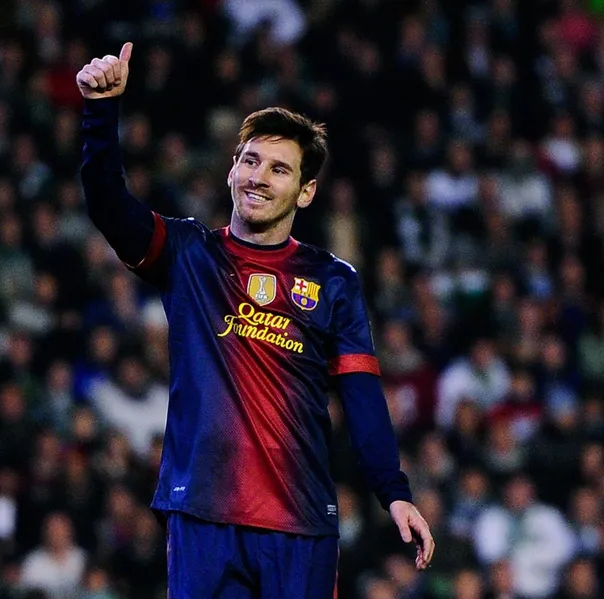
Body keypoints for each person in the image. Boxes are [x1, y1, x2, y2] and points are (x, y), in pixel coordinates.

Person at [77, 43, 434, 598]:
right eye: (249, 161)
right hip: (203, 513)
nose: (258, 176)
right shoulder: (188, 255)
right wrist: (101, 111)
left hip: (300, 521)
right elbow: (106, 202)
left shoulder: (333, 280)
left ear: (306, 192)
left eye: (278, 168)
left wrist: (394, 491)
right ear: (231, 171)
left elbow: (362, 395)